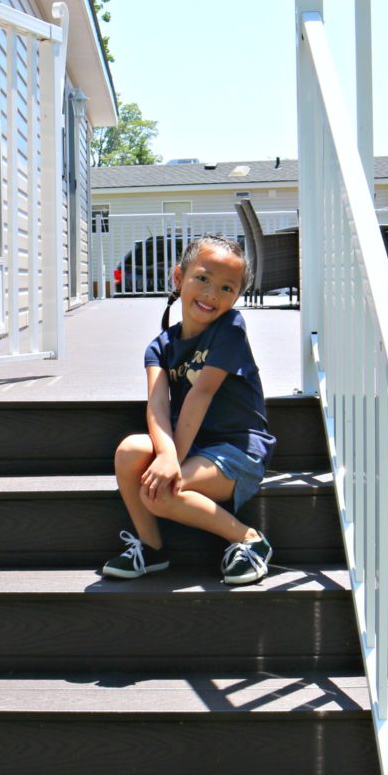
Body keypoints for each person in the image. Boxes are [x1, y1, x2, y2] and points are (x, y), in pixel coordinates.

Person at [101, 234, 276, 585]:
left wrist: (172, 461)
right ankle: (151, 548)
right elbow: (157, 405)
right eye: (203, 279)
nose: (212, 293)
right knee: (128, 451)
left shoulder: (230, 330)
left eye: (227, 287)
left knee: (161, 494)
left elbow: (201, 394)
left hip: (237, 450)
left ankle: (249, 540)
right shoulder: (160, 347)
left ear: (236, 297)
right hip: (193, 445)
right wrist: (167, 454)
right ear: (178, 278)